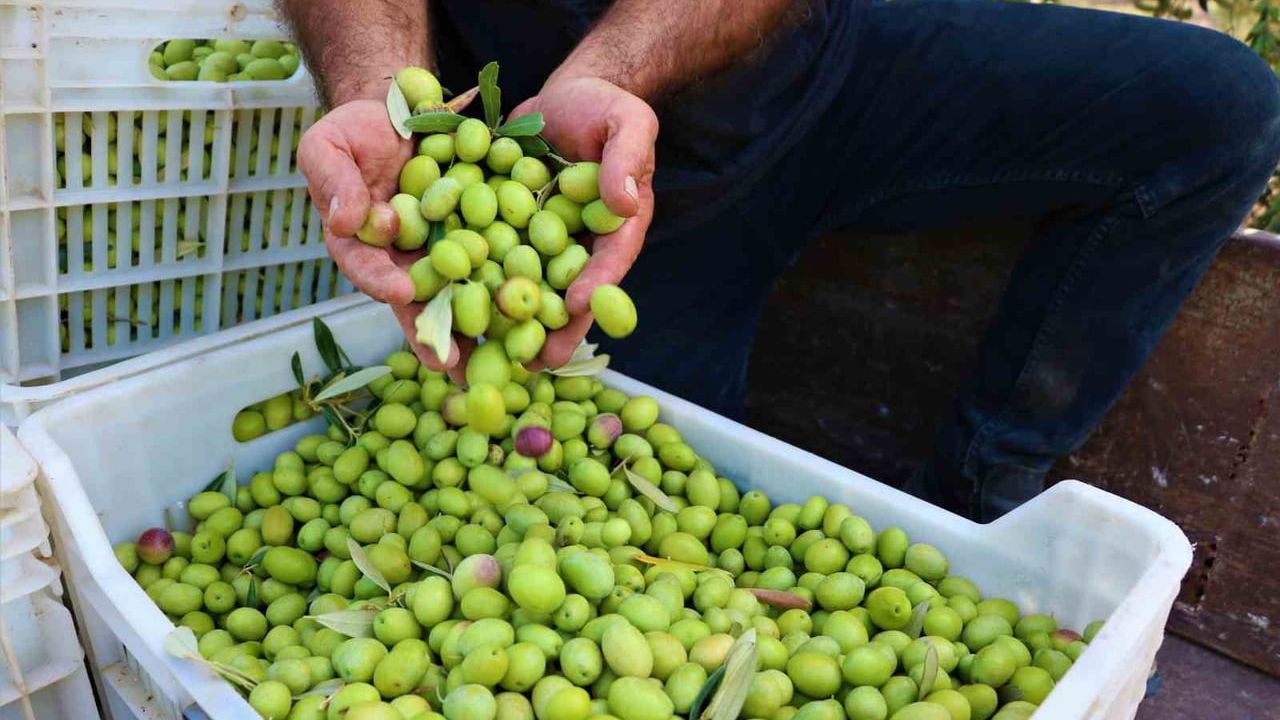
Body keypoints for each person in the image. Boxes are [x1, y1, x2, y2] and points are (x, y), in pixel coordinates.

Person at [282, 0, 1280, 522]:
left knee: (1215, 110)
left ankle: (981, 496)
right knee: (601, 513)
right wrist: (381, 90)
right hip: (578, 188)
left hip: (817, 74)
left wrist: (609, 69)